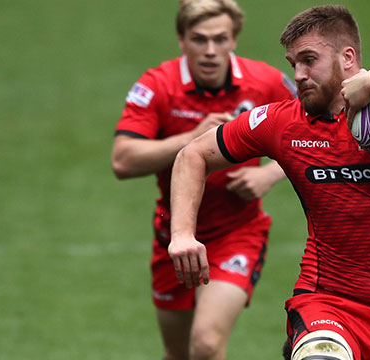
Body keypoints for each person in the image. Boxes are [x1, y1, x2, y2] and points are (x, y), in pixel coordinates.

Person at [168, 4, 370, 360]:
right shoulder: (281, 122)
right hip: (325, 303)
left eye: (309, 60)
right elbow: (192, 155)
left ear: (348, 57)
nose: (299, 74)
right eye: (293, 63)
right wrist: (183, 234)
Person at [111, 0, 296, 359]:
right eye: (199, 39)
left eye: (220, 39)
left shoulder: (266, 83)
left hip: (237, 233)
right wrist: (190, 139)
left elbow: (315, 137)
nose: (210, 51)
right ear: (181, 40)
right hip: (174, 238)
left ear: (234, 40)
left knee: (206, 344)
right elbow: (122, 160)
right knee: (178, 353)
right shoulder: (158, 85)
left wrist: (269, 173)